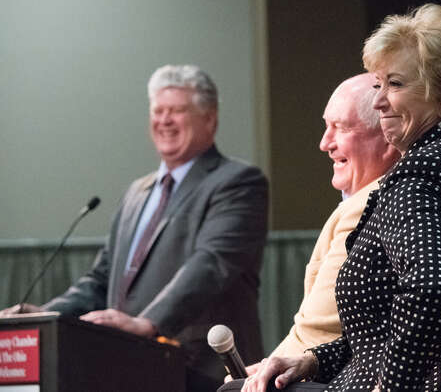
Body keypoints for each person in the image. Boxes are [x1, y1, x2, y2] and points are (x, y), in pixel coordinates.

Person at [228, 4, 441, 392]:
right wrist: (310, 361)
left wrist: (390, 387)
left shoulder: (418, 175)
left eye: (396, 85)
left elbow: (431, 290)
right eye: (379, 85)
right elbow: (375, 343)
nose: (380, 101)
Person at [2, 65, 269, 392]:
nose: (164, 120)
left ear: (210, 118)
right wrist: (45, 317)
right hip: (129, 369)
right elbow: (101, 280)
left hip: (203, 371)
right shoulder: (136, 193)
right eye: (158, 111)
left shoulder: (238, 182)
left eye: (177, 110)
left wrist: (149, 322)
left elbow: (211, 264)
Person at [269, 73, 399, 358]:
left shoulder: (367, 206)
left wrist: (256, 377)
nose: (324, 143)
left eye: (340, 128)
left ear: (388, 138)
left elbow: (320, 330)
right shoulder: (370, 198)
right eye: (326, 127)